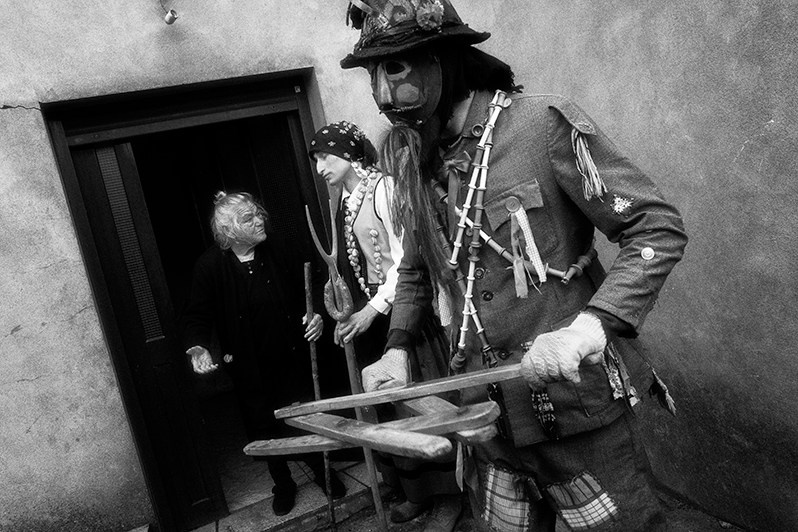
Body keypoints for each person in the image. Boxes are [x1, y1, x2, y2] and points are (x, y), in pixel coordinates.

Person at [340, 1, 688, 531]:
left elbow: (655, 228)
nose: (384, 94)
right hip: (485, 420)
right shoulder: (413, 157)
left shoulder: (541, 125)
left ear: (443, 60)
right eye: (373, 73)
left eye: (396, 68)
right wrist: (396, 347)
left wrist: (589, 328)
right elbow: (414, 269)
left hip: (574, 411)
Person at [308, 120, 463, 530]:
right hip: (373, 317)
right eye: (315, 160)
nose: (319, 166)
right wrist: (343, 309)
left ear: (349, 153)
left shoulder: (386, 189)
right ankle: (415, 493)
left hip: (406, 315)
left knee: (419, 406)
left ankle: (449, 497)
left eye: (325, 156)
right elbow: (355, 265)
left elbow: (405, 262)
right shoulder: (342, 202)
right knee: (389, 411)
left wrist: (372, 309)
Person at [180, 191, 346, 516]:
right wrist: (197, 344)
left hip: (291, 355)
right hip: (247, 366)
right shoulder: (210, 266)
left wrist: (316, 318)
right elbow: (196, 314)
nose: (259, 221)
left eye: (258, 214)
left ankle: (323, 472)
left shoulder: (279, 249)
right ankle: (282, 483)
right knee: (263, 427)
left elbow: (310, 289)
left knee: (304, 418)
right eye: (248, 218)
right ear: (228, 231)